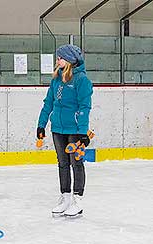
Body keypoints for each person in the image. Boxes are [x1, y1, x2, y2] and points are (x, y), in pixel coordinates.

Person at [37, 44, 93, 217]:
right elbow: (48, 103)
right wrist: (41, 124)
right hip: (58, 128)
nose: (57, 60)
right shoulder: (56, 79)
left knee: (76, 163)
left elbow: (85, 107)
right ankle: (65, 197)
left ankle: (77, 200)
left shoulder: (82, 80)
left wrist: (83, 133)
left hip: (75, 129)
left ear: (69, 60)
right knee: (62, 163)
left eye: (60, 57)